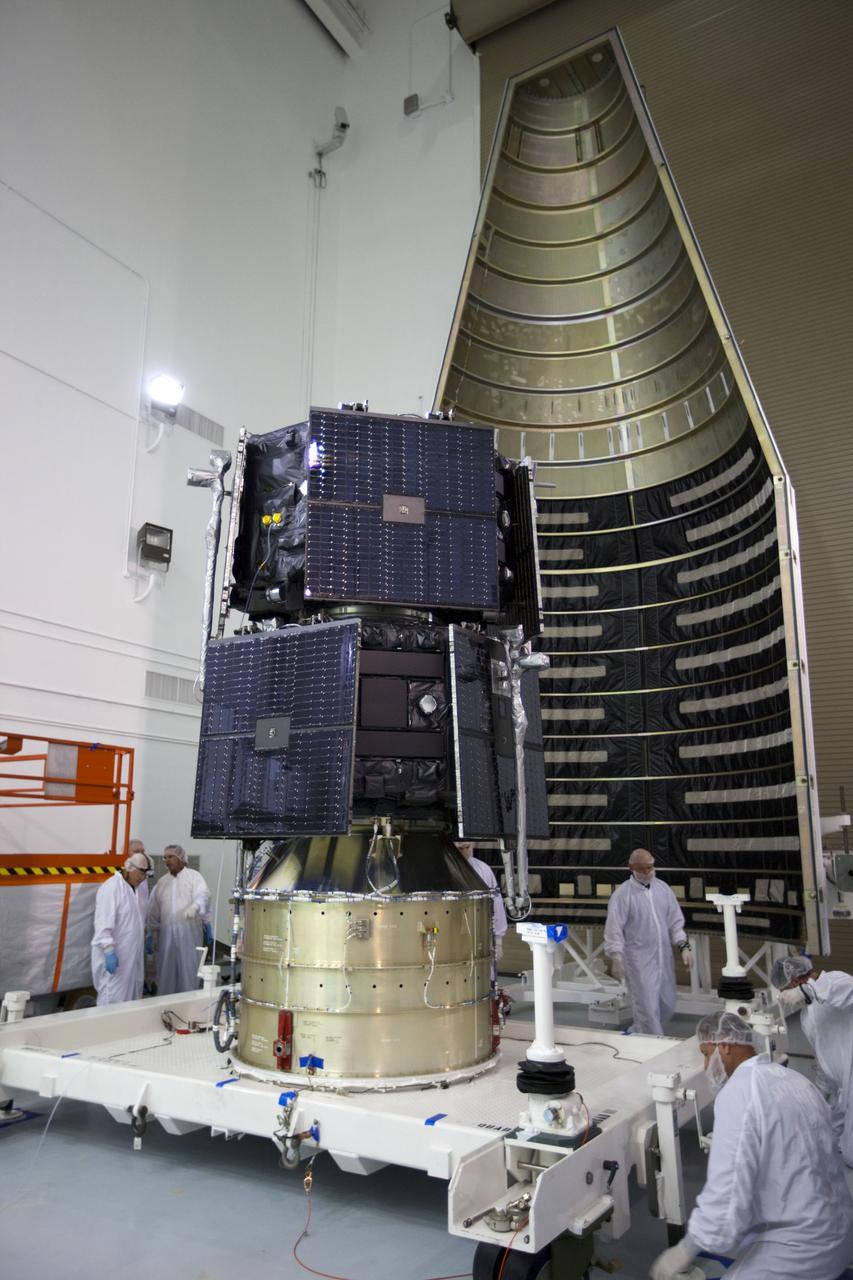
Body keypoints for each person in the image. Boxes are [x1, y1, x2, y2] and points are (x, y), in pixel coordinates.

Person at [650, 1010, 853, 1280]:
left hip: (801, 1247)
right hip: (841, 1229)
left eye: (706, 1053)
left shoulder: (740, 1093)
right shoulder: (795, 1080)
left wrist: (685, 1250)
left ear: (724, 1046)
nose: (704, 1065)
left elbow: (727, 1192)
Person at [772, 952, 853, 1168]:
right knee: (832, 1141)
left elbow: (840, 990)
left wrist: (806, 990)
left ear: (796, 980)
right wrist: (819, 1097)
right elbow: (823, 1056)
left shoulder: (836, 980)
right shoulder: (807, 1016)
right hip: (842, 1085)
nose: (786, 996)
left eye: (785, 990)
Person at [603, 848, 693, 1035]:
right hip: (638, 961)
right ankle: (652, 1045)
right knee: (647, 1007)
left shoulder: (662, 889)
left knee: (667, 1003)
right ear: (631, 868)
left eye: (650, 868)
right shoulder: (622, 896)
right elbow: (614, 929)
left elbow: (675, 921)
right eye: (642, 869)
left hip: (663, 957)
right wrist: (616, 957)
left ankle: (639, 1031)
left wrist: (684, 946)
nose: (647, 872)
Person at [146, 844, 212, 995]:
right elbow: (153, 911)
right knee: (165, 976)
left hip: (189, 936)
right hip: (166, 938)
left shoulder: (194, 877)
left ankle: (188, 1008)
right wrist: (151, 933)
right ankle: (165, 1008)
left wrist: (195, 907)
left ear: (181, 858)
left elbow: (204, 895)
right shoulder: (162, 883)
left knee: (189, 972)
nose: (166, 860)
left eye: (170, 857)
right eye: (165, 857)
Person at [91, 850, 151, 1005]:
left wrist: (146, 933)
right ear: (130, 868)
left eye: (146, 875)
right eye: (141, 874)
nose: (143, 878)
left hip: (133, 955)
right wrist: (109, 951)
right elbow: (103, 924)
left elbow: (139, 917)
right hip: (117, 957)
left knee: (133, 997)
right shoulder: (112, 888)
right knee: (113, 998)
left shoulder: (139, 888)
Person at [455, 841, 508, 964]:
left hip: (479, 934)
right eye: (459, 849)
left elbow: (496, 905)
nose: (464, 852)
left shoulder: (483, 870)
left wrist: (498, 941)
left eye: (467, 847)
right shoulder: (443, 869)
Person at [128, 837, 151, 925]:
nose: (141, 855)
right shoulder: (117, 879)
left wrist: (144, 925)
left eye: (143, 852)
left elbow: (143, 903)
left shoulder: (144, 878)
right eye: (137, 851)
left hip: (140, 928)